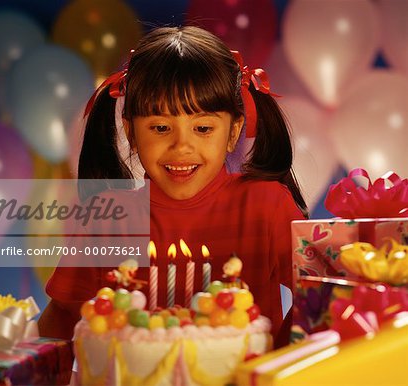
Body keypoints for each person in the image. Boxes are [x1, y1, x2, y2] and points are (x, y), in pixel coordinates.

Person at [38, 26, 307, 348]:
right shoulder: (106, 219)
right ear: (131, 132)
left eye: (203, 128)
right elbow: (61, 323)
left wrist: (280, 357)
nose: (182, 146)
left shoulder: (266, 206)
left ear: (234, 132)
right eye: (161, 127)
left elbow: (321, 296)